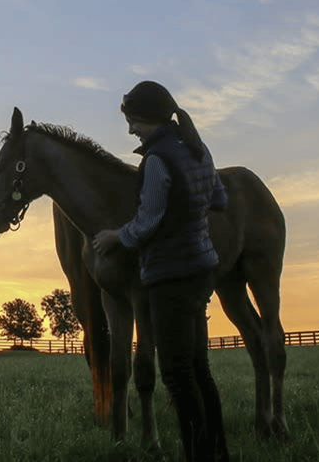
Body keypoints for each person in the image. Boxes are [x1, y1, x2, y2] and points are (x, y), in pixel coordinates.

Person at [92, 80, 230, 461]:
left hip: (170, 276)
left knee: (177, 375)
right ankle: (218, 453)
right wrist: (190, 211)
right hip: (202, 269)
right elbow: (219, 198)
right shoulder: (198, 149)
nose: (130, 129)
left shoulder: (156, 161)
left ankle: (197, 455)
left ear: (149, 118)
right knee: (200, 370)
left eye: (133, 120)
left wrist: (114, 237)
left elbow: (147, 222)